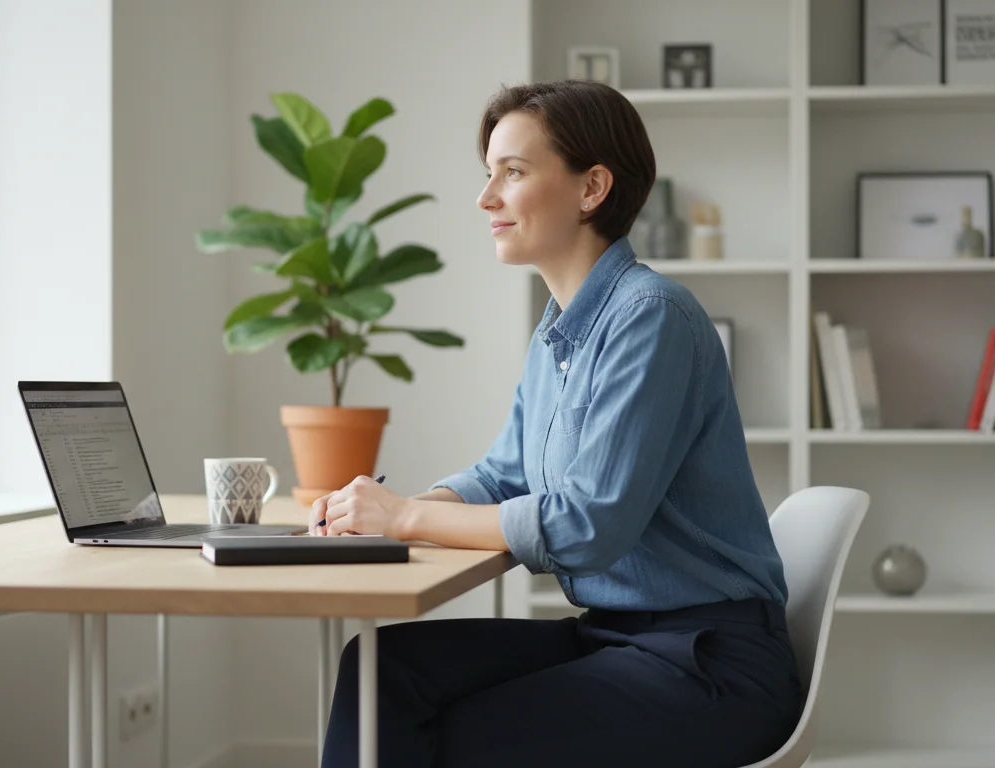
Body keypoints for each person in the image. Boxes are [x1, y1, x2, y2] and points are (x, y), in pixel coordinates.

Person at [309, 79, 801, 768]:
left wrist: (406, 521)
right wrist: (386, 509)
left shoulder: (650, 317)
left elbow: (586, 524)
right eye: (489, 175)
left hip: (707, 665)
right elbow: (503, 474)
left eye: (512, 173)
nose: (487, 199)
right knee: (377, 671)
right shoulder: (558, 334)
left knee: (443, 739)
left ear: (591, 187)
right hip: (616, 635)